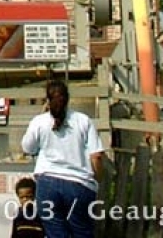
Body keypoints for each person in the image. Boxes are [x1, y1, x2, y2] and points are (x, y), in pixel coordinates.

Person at [20, 79, 103, 238]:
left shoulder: (39, 122)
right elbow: (97, 156)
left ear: (47, 100)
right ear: (68, 99)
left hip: (47, 184)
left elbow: (27, 148)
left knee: (55, 233)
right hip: (79, 185)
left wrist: (42, 113)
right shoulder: (83, 120)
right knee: (82, 232)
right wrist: (97, 180)